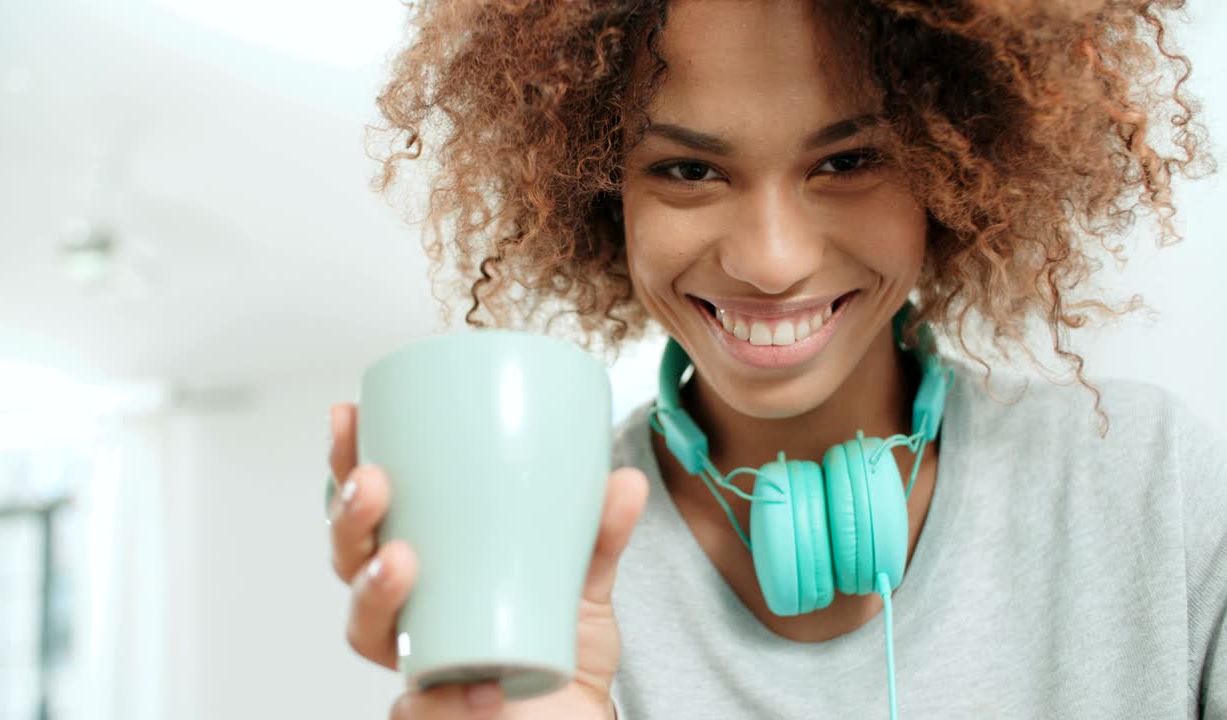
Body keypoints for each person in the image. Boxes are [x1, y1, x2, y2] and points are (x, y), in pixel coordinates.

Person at [326, 0, 1225, 717]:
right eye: (688, 170)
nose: (771, 259)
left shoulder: (1151, 484)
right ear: (603, 193)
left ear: (956, 170)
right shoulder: (536, 564)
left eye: (849, 159)